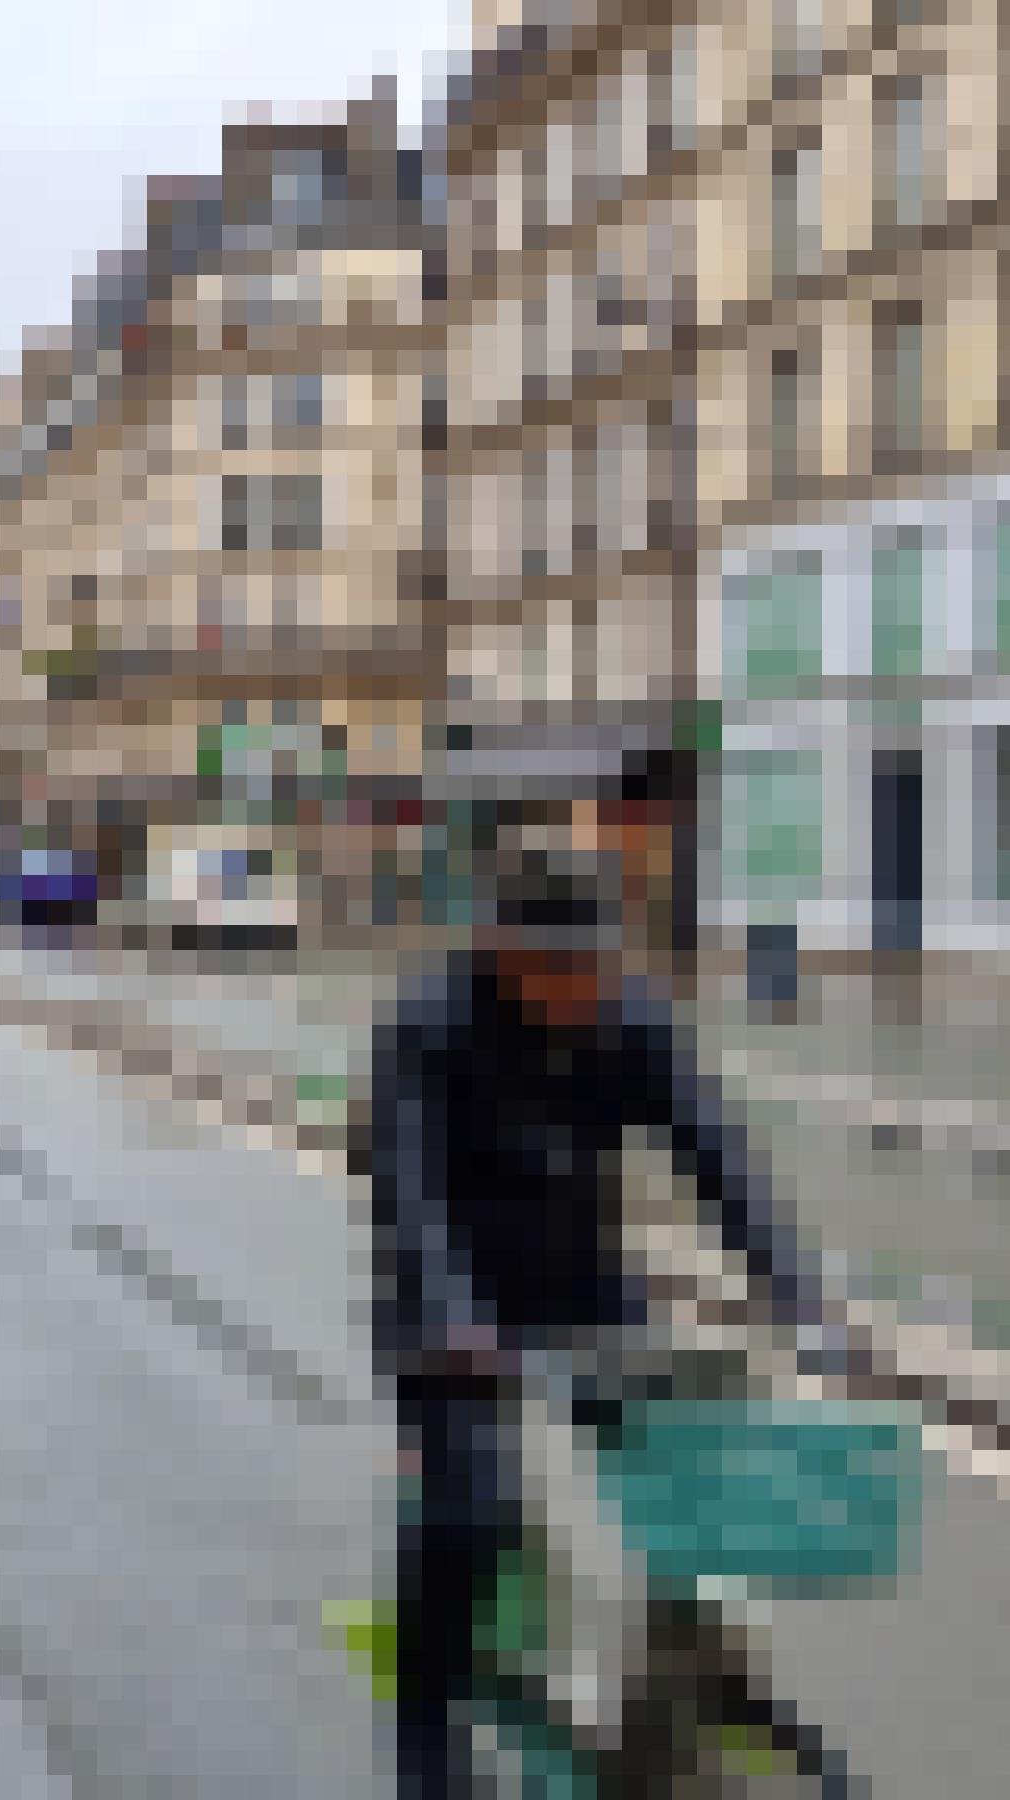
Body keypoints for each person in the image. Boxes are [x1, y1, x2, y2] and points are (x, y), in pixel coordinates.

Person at [360, 756, 852, 1800]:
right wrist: (452, 1321)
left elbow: (715, 1153)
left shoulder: (629, 1021)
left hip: (587, 1293)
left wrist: (797, 1295)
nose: (578, 993)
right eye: (556, 973)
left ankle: (688, 1686)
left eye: (592, 969)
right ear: (499, 954)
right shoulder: (423, 1026)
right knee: (475, 1505)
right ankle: (422, 1721)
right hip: (448, 1300)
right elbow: (409, 1196)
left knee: (692, 1495)